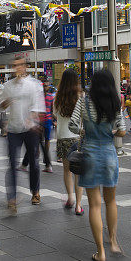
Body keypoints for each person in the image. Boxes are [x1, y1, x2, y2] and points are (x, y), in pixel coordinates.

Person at [69, 69, 125, 261]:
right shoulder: (115, 103)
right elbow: (122, 131)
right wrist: (113, 131)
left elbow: (72, 125)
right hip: (110, 154)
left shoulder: (83, 102)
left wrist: (83, 130)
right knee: (111, 201)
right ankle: (114, 242)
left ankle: (100, 252)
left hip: (90, 153)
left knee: (94, 204)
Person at [0, 56, 45, 214]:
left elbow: (38, 106)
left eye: (19, 65)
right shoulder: (8, 86)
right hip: (13, 129)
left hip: (30, 130)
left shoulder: (34, 85)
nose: (17, 68)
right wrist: (5, 103)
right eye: (15, 65)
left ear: (25, 66)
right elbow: (0, 106)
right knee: (12, 164)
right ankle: (12, 199)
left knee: (34, 162)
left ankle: (35, 192)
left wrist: (32, 119)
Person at [54, 68, 84, 215]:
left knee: (67, 170)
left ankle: (70, 198)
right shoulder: (81, 97)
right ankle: (78, 206)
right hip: (77, 138)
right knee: (79, 172)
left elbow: (55, 115)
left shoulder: (57, 98)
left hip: (62, 137)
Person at [21, 80, 55, 172]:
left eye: (47, 86)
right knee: (40, 143)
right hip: (43, 122)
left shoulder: (41, 97)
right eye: (45, 86)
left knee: (35, 143)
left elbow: (49, 110)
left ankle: (25, 164)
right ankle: (47, 164)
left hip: (40, 123)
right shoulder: (47, 97)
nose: (45, 88)